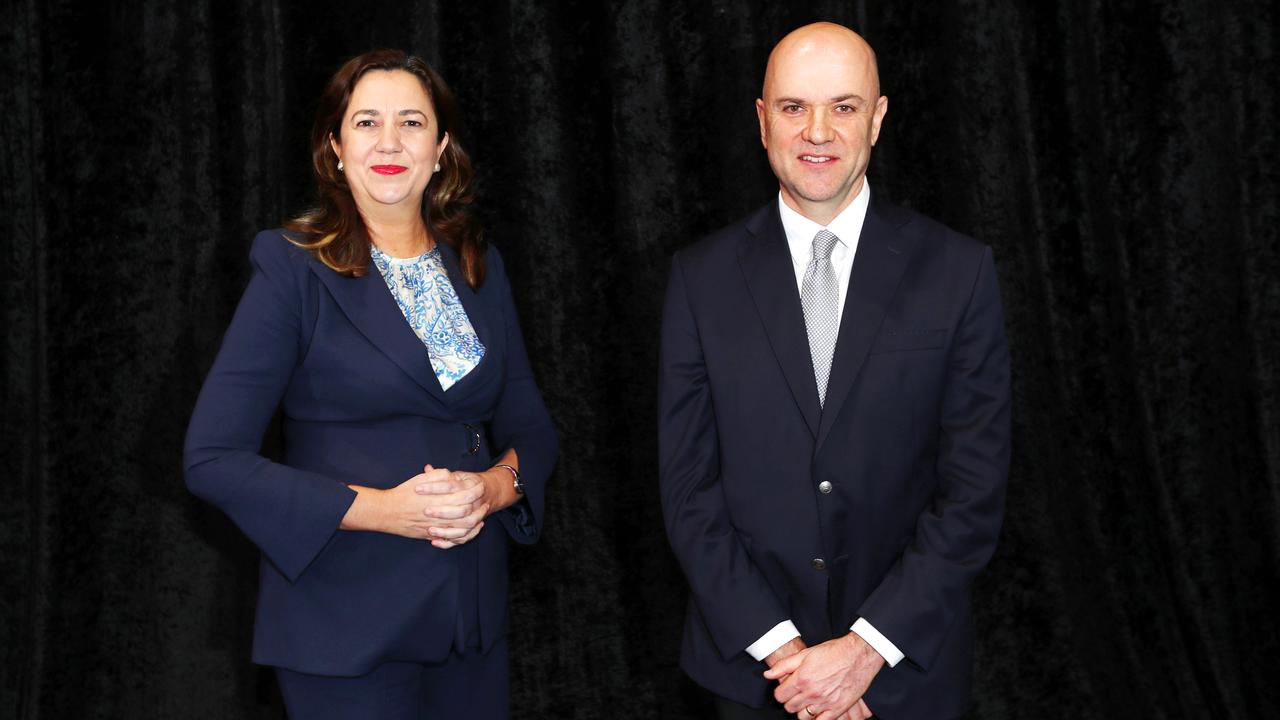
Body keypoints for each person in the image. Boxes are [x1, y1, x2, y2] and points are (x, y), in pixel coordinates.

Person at [184, 49, 556, 719]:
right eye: (366, 123)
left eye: (412, 123)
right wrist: (389, 510)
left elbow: (531, 426)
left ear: (441, 148)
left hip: (469, 622)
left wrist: (493, 490)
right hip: (344, 624)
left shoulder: (478, 263)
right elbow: (212, 460)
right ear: (334, 146)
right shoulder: (292, 270)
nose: (389, 142)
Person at [659, 22, 1010, 720]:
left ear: (877, 119)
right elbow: (688, 493)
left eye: (844, 107)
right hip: (754, 679)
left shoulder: (960, 273)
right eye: (794, 108)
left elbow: (974, 489)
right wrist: (794, 664)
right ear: (763, 122)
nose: (817, 131)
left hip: (905, 678)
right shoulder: (699, 279)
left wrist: (863, 653)